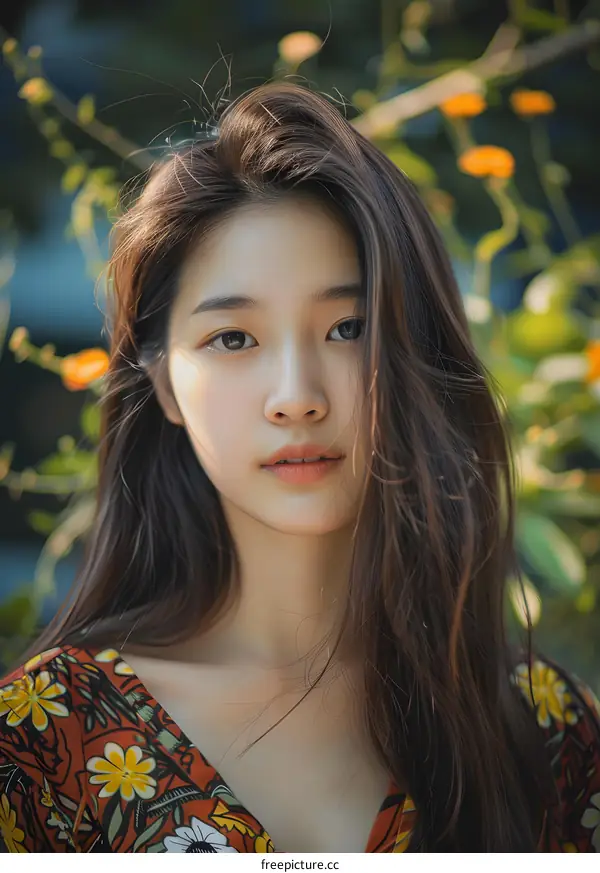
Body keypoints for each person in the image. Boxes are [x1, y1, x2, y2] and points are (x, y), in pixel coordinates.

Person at [1, 82, 599, 855]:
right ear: (162, 384)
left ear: (418, 350)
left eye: (348, 327)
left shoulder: (544, 733)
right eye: (234, 338)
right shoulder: (44, 743)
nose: (296, 397)